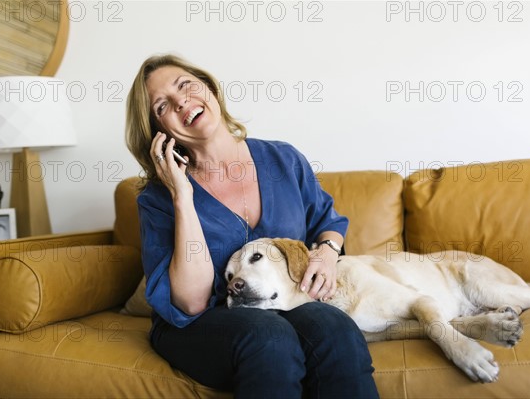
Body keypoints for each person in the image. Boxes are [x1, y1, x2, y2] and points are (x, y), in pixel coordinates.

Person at [125, 54, 379, 399]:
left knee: (334, 326)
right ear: (160, 134)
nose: (180, 100)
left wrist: (327, 253)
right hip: (200, 327)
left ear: (209, 87)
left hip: (281, 309)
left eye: (185, 85)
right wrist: (182, 195)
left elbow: (328, 223)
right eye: (161, 106)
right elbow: (193, 302)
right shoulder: (158, 200)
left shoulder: (283, 159)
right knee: (268, 335)